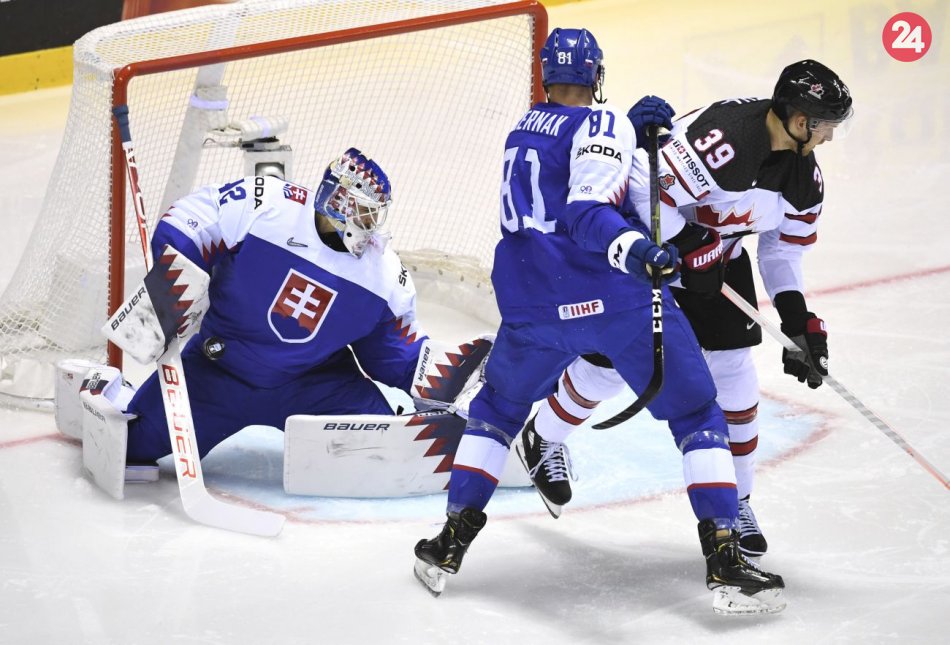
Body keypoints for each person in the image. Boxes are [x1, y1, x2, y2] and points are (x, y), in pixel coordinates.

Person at [413, 28, 785, 614]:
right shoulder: (603, 123)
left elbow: (572, 164)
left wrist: (629, 136)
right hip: (609, 299)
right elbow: (587, 210)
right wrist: (640, 252)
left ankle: (449, 541)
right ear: (597, 75)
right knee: (696, 414)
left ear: (546, 75)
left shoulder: (521, 129)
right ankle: (723, 558)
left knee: (496, 411)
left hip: (529, 304)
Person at [520, 60, 853, 557]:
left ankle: (736, 502)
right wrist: (690, 242)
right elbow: (642, 184)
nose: (829, 136)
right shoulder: (725, 140)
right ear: (800, 120)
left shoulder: (804, 178)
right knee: (611, 370)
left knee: (735, 377)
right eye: (825, 125)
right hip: (652, 250)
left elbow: (782, 250)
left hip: (717, 261)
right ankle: (542, 436)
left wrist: (796, 318)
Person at [68, 148, 488, 498]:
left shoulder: (383, 273)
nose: (370, 226)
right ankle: (105, 387)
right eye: (363, 213)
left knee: (390, 449)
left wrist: (446, 380)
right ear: (338, 201)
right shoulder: (265, 204)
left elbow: (396, 355)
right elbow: (188, 221)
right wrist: (177, 277)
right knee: (130, 447)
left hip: (315, 385)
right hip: (218, 371)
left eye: (374, 216)